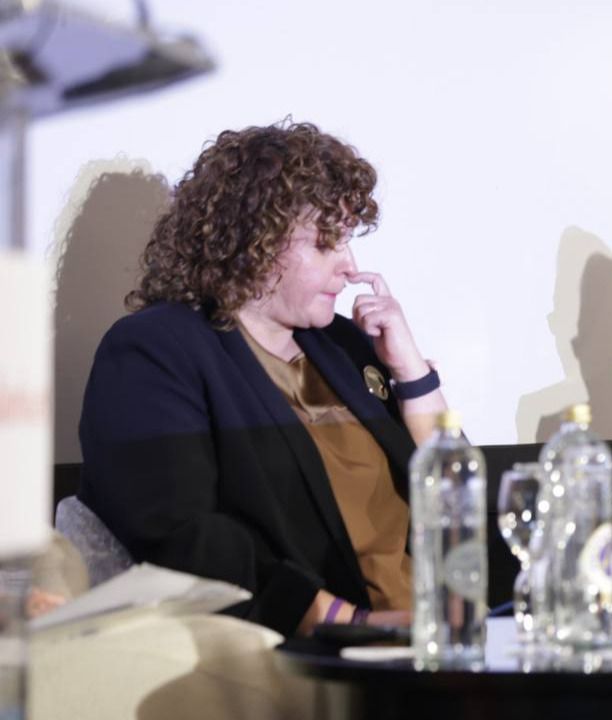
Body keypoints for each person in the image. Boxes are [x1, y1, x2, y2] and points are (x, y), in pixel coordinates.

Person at [78, 121, 445, 636]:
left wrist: (412, 374)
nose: (350, 266)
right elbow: (185, 540)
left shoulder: (346, 345)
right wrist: (352, 622)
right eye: (326, 242)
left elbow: (458, 494)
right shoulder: (154, 351)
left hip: (435, 632)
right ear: (256, 241)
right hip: (324, 652)